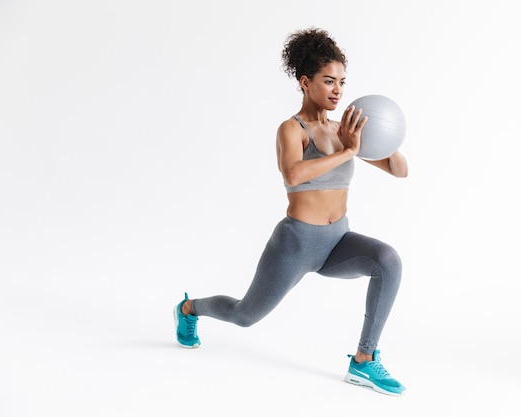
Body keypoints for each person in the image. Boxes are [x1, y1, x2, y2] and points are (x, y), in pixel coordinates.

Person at [173, 27, 409, 396]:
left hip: (337, 242)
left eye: (342, 83)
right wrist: (347, 152)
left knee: (388, 261)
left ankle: (363, 361)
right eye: (328, 81)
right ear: (305, 82)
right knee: (245, 315)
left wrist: (380, 134)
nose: (337, 90)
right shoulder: (291, 129)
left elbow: (400, 170)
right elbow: (294, 174)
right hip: (297, 244)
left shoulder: (342, 130)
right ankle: (189, 309)